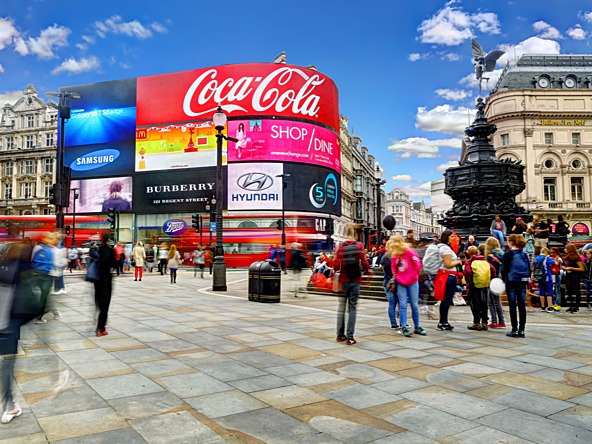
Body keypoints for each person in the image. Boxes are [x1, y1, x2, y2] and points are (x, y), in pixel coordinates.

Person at [333, 225, 371, 345]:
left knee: (341, 309)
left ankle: (340, 335)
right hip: (355, 280)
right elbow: (364, 262)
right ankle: (350, 337)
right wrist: (369, 273)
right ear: (355, 234)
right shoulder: (359, 246)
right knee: (352, 309)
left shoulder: (340, 248)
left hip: (343, 282)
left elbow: (335, 265)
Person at [388, 235, 426, 337]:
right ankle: (404, 326)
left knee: (413, 305)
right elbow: (393, 268)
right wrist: (399, 277)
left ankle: (417, 326)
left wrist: (413, 275)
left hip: (412, 281)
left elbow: (417, 264)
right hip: (402, 282)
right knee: (403, 305)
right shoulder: (395, 255)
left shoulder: (409, 252)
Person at [502, 234, 531, 338]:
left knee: (513, 305)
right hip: (522, 281)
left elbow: (504, 269)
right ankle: (522, 330)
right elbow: (529, 268)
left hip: (512, 281)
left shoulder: (508, 254)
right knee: (522, 305)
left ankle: (514, 329)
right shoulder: (524, 254)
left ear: (511, 242)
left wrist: (504, 280)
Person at [464, 245, 496, 331]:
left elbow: (467, 272)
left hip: (474, 285)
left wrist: (469, 281)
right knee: (484, 303)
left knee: (475, 303)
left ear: (469, 253)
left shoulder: (469, 261)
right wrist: (489, 278)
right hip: (485, 284)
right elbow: (493, 270)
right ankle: (485, 322)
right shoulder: (484, 260)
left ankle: (477, 323)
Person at [435, 230, 462, 331]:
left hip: (445, 276)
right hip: (448, 276)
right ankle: (443, 322)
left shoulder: (440, 247)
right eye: (451, 236)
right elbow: (448, 264)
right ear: (446, 237)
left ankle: (444, 321)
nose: (453, 238)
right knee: (446, 300)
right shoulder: (445, 249)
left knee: (445, 300)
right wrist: (458, 262)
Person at [92, 233, 115, 337]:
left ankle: (101, 325)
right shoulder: (110, 250)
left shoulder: (98, 250)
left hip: (98, 279)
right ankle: (100, 328)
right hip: (106, 279)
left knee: (99, 302)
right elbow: (114, 264)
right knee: (105, 304)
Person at [485, 237, 506, 329]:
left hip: (493, 279)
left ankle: (496, 321)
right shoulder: (500, 253)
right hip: (500, 279)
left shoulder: (490, 256)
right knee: (496, 300)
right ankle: (500, 321)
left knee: (492, 302)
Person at [563, 243, 585, 313]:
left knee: (576, 290)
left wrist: (572, 268)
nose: (564, 250)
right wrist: (564, 267)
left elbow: (582, 268)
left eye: (566, 248)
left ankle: (576, 306)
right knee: (569, 290)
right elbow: (564, 265)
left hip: (575, 275)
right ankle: (571, 305)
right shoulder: (566, 257)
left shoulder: (576, 257)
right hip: (568, 275)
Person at [380, 248, 399, 329]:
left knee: (392, 303)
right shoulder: (397, 256)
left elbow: (383, 269)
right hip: (397, 282)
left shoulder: (384, 257)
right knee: (401, 303)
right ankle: (403, 323)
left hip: (387, 282)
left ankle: (393, 323)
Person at [533, 247, 556, 313]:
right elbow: (555, 263)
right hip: (547, 277)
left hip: (539, 277)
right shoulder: (547, 258)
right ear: (546, 252)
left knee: (541, 292)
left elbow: (533, 265)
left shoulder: (536, 258)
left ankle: (542, 307)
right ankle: (549, 307)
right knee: (549, 292)